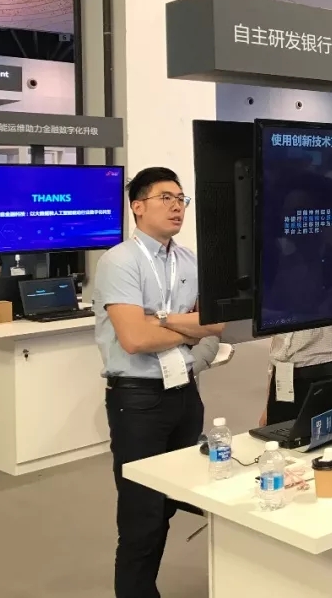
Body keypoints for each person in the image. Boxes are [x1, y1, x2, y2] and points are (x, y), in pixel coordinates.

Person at [93, 167, 225, 598]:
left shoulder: (189, 260)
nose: (176, 207)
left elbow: (216, 323)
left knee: (172, 498)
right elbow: (135, 339)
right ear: (137, 206)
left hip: (185, 393)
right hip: (138, 400)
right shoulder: (120, 261)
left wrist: (161, 319)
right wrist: (187, 328)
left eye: (181, 199)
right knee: (141, 514)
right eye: (165, 198)